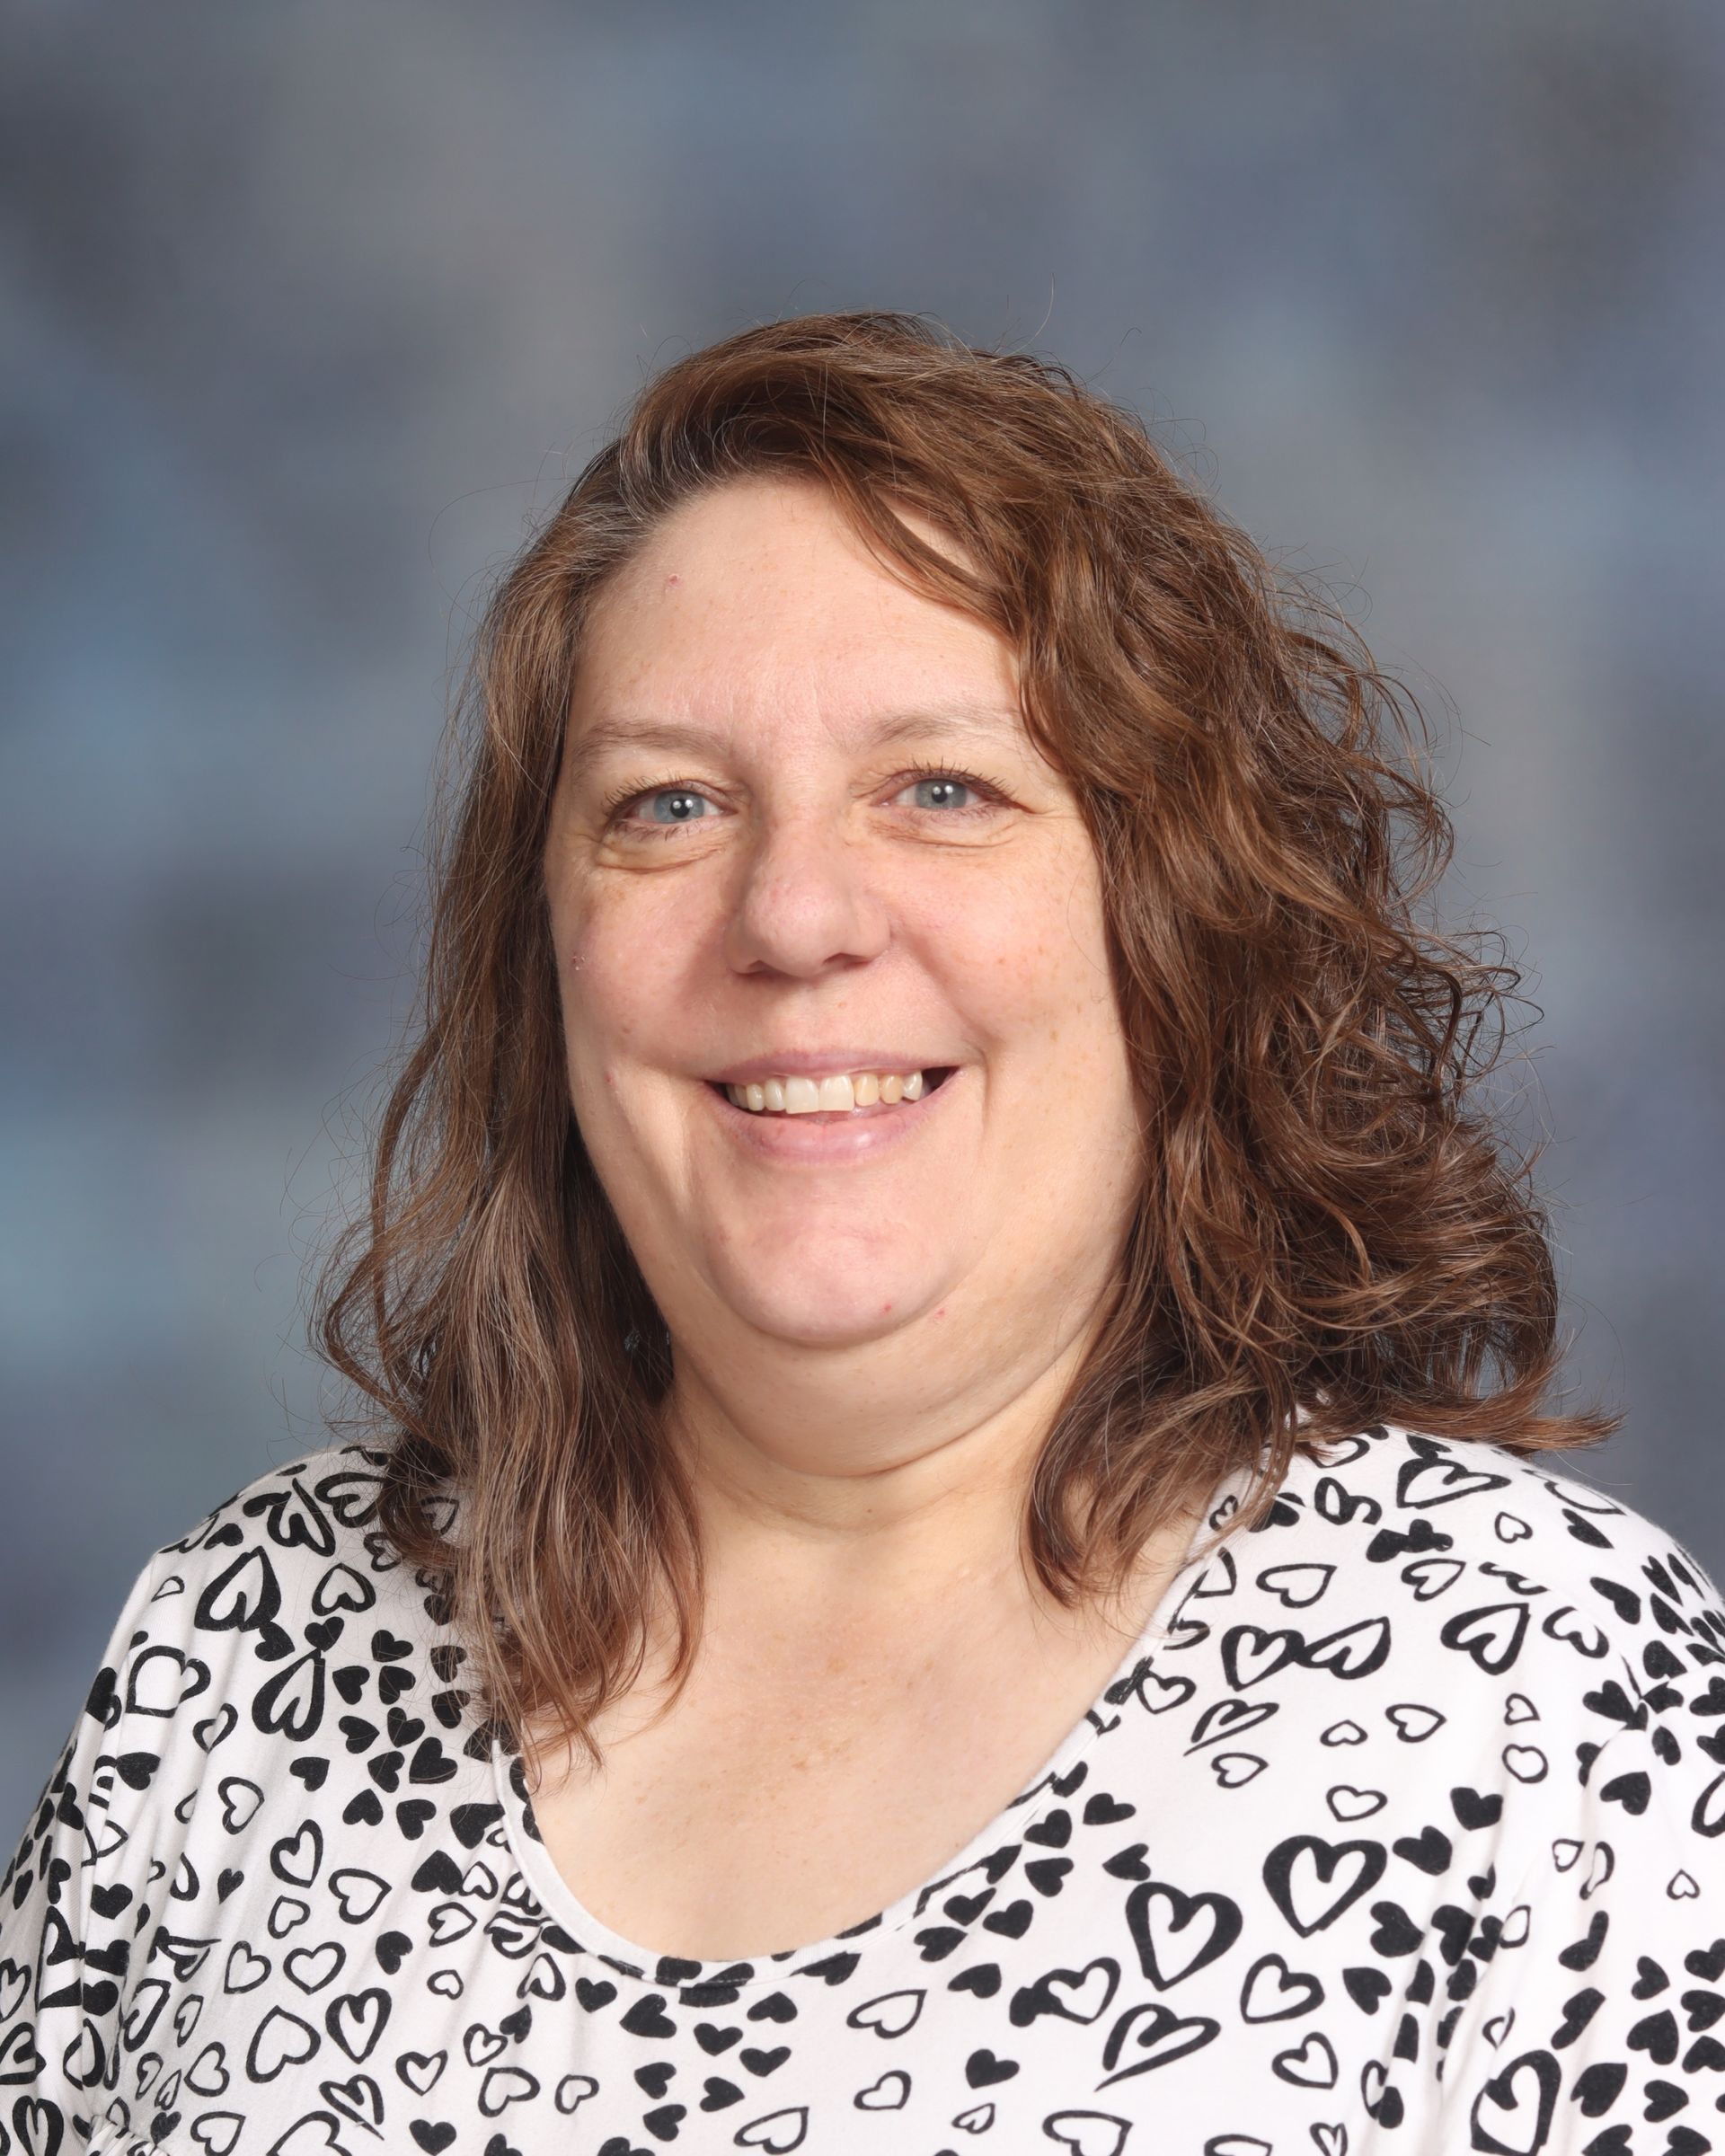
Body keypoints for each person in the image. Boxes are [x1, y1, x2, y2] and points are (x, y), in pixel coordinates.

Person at [5, 312, 1722, 2156]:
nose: (798, 913)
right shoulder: (245, 1660)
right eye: (669, 805)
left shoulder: (1530, 1694)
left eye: (941, 791)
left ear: (1173, 922)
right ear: (547, 960)